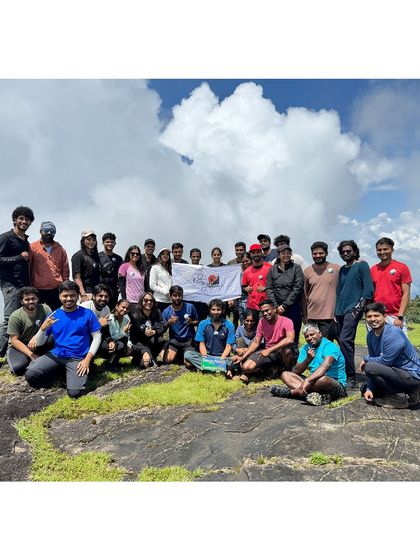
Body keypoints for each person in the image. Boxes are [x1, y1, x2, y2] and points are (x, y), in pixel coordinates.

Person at [25, 280, 102, 398]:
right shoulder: (54, 315)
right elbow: (40, 343)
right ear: (60, 296)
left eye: (72, 295)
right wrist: (43, 328)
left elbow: (97, 337)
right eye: (65, 295)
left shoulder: (87, 314)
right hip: (56, 355)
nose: (69, 298)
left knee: (74, 393)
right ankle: (62, 374)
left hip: (78, 358)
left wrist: (87, 359)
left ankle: (80, 372)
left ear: (77, 296)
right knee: (31, 374)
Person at [360, 303, 420, 409]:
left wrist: (365, 358)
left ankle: (398, 398)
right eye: (369, 316)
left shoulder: (393, 333)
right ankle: (410, 393)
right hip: (395, 373)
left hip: (411, 376)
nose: (373, 319)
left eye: (376, 315)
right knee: (364, 387)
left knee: (369, 367)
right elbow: (375, 360)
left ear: (385, 316)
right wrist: (369, 389)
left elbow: (385, 361)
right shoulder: (370, 336)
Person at [270, 323, 347, 406]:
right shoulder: (306, 348)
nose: (310, 338)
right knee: (285, 374)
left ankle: (292, 393)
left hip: (333, 383)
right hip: (313, 383)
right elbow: (295, 371)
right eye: (307, 336)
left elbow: (325, 366)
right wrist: (308, 359)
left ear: (320, 334)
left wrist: (307, 380)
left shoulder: (330, 346)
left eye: (312, 334)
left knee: (322, 379)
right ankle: (313, 395)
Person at [335, 240, 374, 387]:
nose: (346, 253)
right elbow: (338, 292)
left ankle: (351, 376)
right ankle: (342, 372)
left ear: (355, 252)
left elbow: (368, 289)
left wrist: (358, 309)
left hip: (353, 309)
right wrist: (335, 311)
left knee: (345, 340)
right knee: (343, 342)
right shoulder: (342, 270)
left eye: (348, 251)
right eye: (343, 252)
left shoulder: (361, 265)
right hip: (340, 310)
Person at [229, 300, 295, 383]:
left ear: (274, 309)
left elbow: (290, 339)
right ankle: (270, 370)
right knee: (247, 367)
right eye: (262, 312)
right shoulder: (262, 322)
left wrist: (269, 350)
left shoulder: (287, 321)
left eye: (267, 310)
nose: (265, 314)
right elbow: (256, 343)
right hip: (268, 352)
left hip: (280, 351)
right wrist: (243, 357)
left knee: (287, 350)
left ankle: (287, 372)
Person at [0, 206, 34, 357]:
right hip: (10, 284)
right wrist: (19, 257)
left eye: (27, 219)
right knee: (9, 320)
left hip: (23, 285)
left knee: (19, 319)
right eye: (21, 218)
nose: (24, 221)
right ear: (14, 220)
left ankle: (12, 352)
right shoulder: (6, 238)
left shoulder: (25, 241)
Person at [370, 237, 412, 333]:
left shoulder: (402, 267)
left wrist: (400, 317)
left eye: (385, 249)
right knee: (377, 347)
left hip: (395, 316)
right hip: (377, 315)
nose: (382, 252)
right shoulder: (373, 269)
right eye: (379, 250)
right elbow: (370, 294)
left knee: (400, 346)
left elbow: (406, 294)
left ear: (392, 250)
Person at [6, 287, 51, 375]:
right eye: (27, 299)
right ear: (22, 301)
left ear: (37, 299)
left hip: (39, 342)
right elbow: (14, 341)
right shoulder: (15, 316)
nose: (31, 301)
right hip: (20, 346)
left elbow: (51, 327)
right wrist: (31, 355)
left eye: (33, 298)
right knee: (18, 368)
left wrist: (36, 336)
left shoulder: (45, 308)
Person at [266, 243, 304, 346]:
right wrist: (275, 306)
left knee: (293, 335)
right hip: (277, 309)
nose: (286, 255)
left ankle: (294, 359)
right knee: (278, 335)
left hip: (293, 308)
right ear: (278, 255)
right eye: (283, 253)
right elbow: (269, 288)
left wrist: (285, 305)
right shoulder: (272, 269)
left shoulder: (296, 268)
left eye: (288, 253)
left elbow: (297, 288)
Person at [302, 241, 340, 341]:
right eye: (315, 253)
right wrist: (305, 316)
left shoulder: (336, 269)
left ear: (326, 253)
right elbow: (304, 295)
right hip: (312, 316)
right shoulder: (307, 271)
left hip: (330, 316)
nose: (318, 255)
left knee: (327, 344)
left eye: (321, 253)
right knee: (314, 344)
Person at [184, 299, 235, 371]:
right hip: (206, 356)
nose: (216, 312)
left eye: (218, 310)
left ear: (223, 311)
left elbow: (229, 346)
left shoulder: (229, 325)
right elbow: (201, 344)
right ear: (210, 310)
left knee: (233, 361)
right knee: (188, 355)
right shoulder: (203, 324)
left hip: (222, 357)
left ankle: (209, 367)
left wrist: (221, 360)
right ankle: (219, 368)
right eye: (213, 310)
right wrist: (205, 358)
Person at [30, 221, 70, 311]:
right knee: (38, 315)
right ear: (41, 231)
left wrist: (65, 286)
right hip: (37, 289)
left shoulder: (60, 249)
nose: (49, 233)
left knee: (57, 315)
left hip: (56, 288)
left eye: (52, 231)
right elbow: (29, 268)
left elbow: (65, 269)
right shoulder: (32, 247)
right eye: (46, 230)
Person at [161, 285, 199, 364]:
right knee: (167, 360)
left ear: (182, 295)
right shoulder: (166, 311)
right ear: (170, 296)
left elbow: (197, 321)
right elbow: (162, 330)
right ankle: (179, 354)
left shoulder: (190, 307)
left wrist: (191, 322)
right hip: (175, 340)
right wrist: (169, 322)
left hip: (189, 340)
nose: (177, 298)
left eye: (179, 295)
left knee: (189, 364)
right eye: (175, 295)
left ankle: (185, 354)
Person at [130, 292, 165, 368]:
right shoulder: (135, 316)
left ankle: (153, 357)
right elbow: (134, 339)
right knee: (145, 365)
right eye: (145, 300)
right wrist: (144, 350)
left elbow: (162, 327)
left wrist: (155, 332)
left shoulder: (157, 312)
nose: (148, 302)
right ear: (141, 301)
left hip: (154, 343)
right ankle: (139, 357)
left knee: (159, 339)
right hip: (141, 344)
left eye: (151, 300)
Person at [241, 244, 272, 320]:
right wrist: (246, 289)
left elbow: (276, 285)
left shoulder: (270, 268)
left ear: (261, 252)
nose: (255, 254)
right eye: (253, 253)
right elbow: (243, 287)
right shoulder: (247, 271)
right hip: (252, 306)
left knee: (266, 329)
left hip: (266, 305)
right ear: (250, 254)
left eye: (258, 252)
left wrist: (265, 288)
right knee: (252, 329)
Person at [101, 299, 132, 371]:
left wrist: (129, 345)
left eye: (127, 309)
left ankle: (114, 362)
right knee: (121, 345)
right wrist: (123, 332)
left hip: (119, 341)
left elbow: (127, 336)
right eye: (123, 307)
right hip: (108, 342)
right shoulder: (110, 318)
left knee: (125, 342)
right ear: (117, 306)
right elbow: (112, 336)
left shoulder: (126, 319)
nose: (125, 310)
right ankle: (109, 364)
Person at [71, 230, 102, 302]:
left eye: (93, 240)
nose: (91, 242)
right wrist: (83, 295)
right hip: (86, 294)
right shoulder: (78, 256)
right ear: (83, 240)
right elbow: (76, 277)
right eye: (88, 239)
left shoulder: (96, 256)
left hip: (96, 294)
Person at [118, 245, 146, 316]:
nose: (135, 255)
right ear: (129, 254)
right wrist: (124, 300)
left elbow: (144, 285)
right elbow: (121, 285)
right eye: (133, 253)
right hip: (130, 301)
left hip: (141, 301)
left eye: (137, 254)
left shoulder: (142, 268)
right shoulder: (124, 266)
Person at [99, 232, 123, 310]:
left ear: (115, 243)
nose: (110, 244)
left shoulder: (118, 258)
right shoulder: (97, 256)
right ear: (103, 243)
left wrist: (119, 288)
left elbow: (121, 276)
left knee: (111, 314)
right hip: (101, 291)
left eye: (112, 242)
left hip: (114, 292)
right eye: (107, 242)